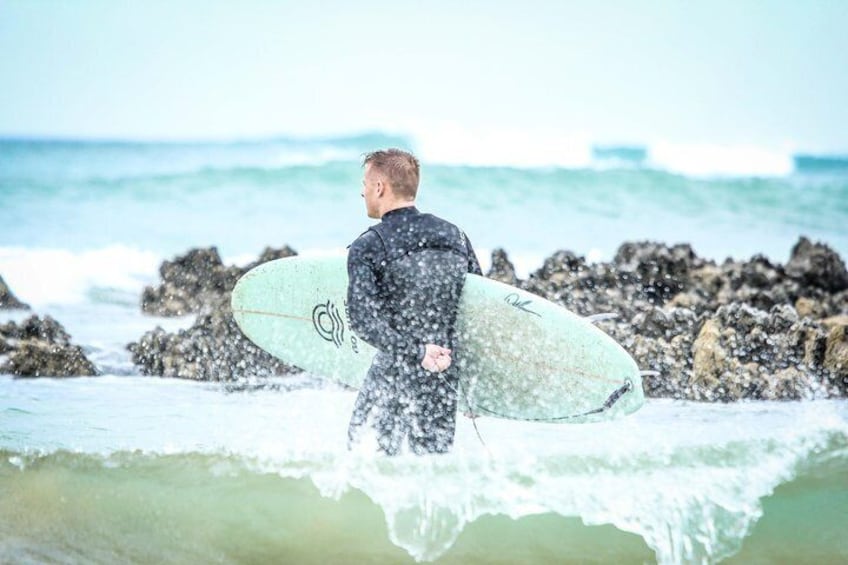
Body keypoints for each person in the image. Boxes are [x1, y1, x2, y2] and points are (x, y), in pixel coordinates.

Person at [346, 148, 482, 455]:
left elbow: (363, 320)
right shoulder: (456, 237)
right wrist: (474, 387)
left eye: (366, 183)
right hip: (444, 377)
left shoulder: (369, 245)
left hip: (393, 374)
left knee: (369, 463)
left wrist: (417, 352)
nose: (362, 191)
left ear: (380, 187)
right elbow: (476, 313)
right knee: (432, 474)